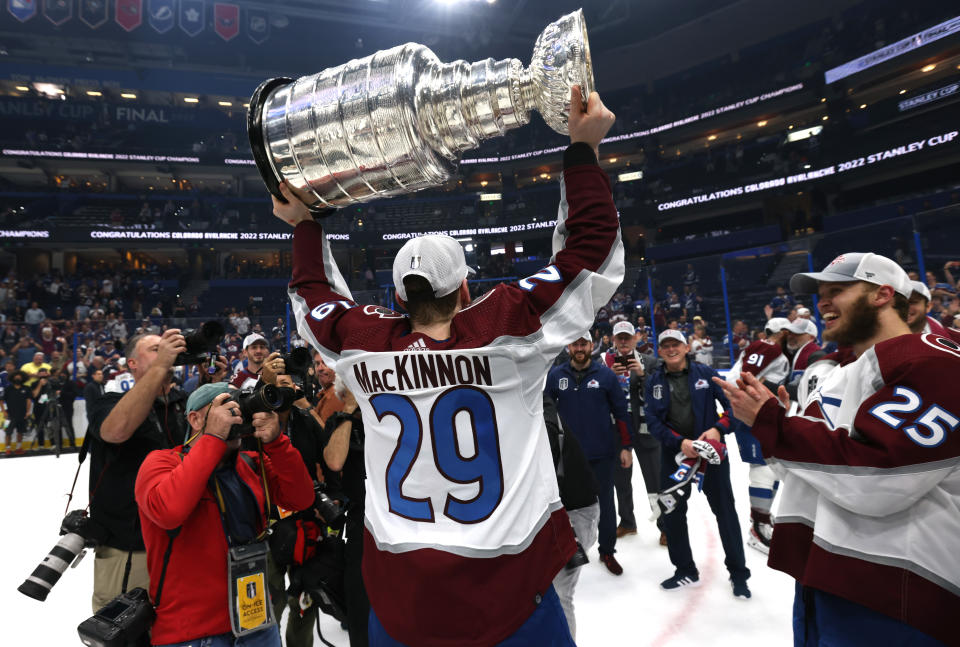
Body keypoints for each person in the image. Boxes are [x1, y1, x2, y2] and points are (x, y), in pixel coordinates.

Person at [271, 85, 619, 646]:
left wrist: (305, 227)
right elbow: (590, 256)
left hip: (401, 604)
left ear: (398, 298)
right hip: (509, 601)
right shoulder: (508, 333)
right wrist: (581, 152)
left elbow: (314, 301)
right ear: (465, 289)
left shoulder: (363, 346)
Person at [715, 252, 956, 646]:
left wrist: (774, 424)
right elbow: (807, 472)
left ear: (882, 294)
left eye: (837, 290)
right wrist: (777, 429)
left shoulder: (935, 362)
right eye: (821, 293)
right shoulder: (840, 375)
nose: (822, 302)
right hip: (825, 577)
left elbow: (879, 479)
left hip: (898, 594)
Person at [135, 383, 315, 647]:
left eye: (240, 408)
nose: (237, 415)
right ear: (195, 419)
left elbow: (301, 498)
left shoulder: (250, 462)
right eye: (226, 408)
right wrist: (213, 439)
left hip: (255, 620)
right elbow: (168, 511)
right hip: (192, 632)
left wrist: (276, 442)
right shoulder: (161, 462)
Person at [86, 330, 196, 612]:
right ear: (132, 364)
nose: (166, 353)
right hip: (131, 549)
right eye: (156, 349)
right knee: (125, 632)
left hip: (183, 545)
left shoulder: (183, 402)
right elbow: (116, 431)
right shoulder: (106, 399)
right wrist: (161, 366)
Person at [645, 329, 750, 598]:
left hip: (711, 455)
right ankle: (685, 570)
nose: (671, 349)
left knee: (725, 512)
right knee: (673, 514)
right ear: (660, 350)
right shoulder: (654, 380)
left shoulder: (706, 374)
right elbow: (654, 422)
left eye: (675, 344)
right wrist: (679, 442)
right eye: (665, 345)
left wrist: (718, 429)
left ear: (686, 347)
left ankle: (739, 574)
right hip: (675, 455)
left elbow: (734, 406)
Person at [546, 333, 633, 575]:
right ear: (569, 347)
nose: (579, 348)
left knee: (605, 504)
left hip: (601, 454)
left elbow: (621, 413)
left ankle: (607, 551)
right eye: (575, 344)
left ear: (591, 346)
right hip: (568, 457)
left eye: (583, 344)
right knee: (565, 507)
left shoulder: (605, 376)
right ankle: (569, 548)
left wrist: (626, 446)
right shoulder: (556, 375)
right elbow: (546, 411)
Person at [725, 318, 791, 555]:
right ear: (782, 332)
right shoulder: (769, 347)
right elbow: (747, 376)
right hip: (750, 412)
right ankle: (758, 526)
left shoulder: (767, 348)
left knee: (770, 467)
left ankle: (763, 517)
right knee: (762, 468)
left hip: (757, 411)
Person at [543, 393, 597, 641]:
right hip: (558, 512)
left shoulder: (543, 422)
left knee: (559, 592)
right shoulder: (533, 409)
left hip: (572, 514)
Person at [320, 379, 370, 647]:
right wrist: (350, 408)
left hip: (396, 519)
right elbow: (335, 461)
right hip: (360, 521)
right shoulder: (340, 422)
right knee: (359, 604)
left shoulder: (389, 415)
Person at [602, 321, 661, 543]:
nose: (624, 342)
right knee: (621, 481)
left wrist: (643, 374)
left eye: (628, 337)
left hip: (646, 430)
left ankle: (665, 526)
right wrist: (610, 375)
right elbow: (599, 392)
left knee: (655, 480)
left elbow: (658, 393)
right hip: (618, 430)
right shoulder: (604, 362)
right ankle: (627, 522)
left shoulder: (650, 362)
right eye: (620, 338)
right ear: (614, 340)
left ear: (636, 338)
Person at [783, 317, 821, 382]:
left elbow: (805, 389)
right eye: (790, 332)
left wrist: (766, 383)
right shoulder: (793, 352)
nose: (790, 336)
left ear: (811, 338)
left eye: (797, 333)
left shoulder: (816, 356)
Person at [311, 351, 343, 426]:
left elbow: (325, 434)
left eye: (325, 363)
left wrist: (305, 406)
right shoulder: (325, 392)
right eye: (317, 364)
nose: (320, 368)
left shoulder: (336, 393)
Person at [3, 371, 31, 455]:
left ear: (23, 378)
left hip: (22, 415)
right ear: (12, 378)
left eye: (19, 377)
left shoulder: (26, 388)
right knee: (8, 432)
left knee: (20, 432)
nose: (18, 378)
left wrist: (28, 412)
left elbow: (28, 401)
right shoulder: (8, 388)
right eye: (16, 377)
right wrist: (4, 411)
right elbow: (1, 400)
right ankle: (8, 449)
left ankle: (18, 448)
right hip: (10, 415)